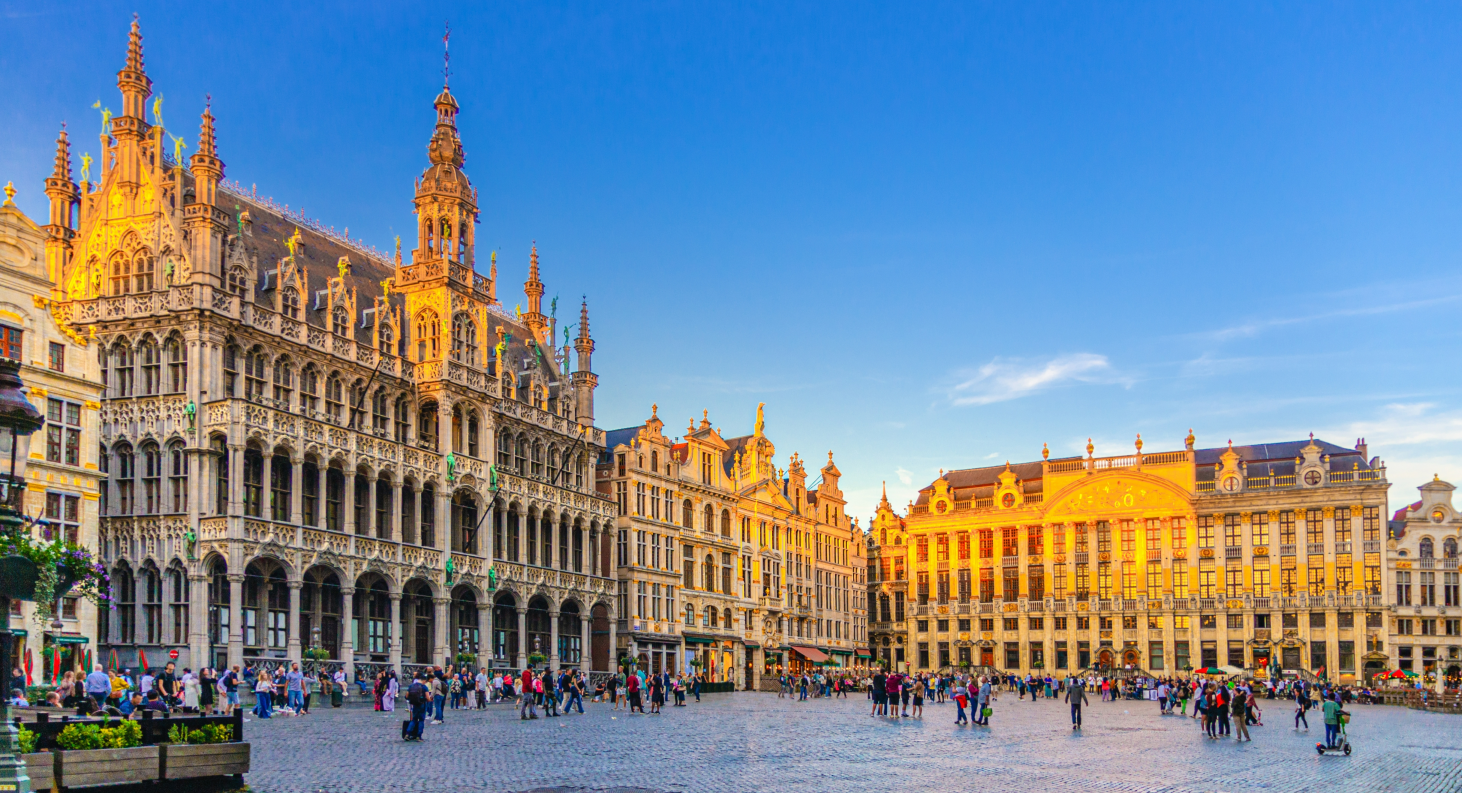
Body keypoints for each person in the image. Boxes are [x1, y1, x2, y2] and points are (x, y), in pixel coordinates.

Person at [404, 674, 429, 741]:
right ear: (424, 681)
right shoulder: (424, 687)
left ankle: (407, 734)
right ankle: (419, 736)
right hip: (422, 704)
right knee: (421, 720)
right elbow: (427, 697)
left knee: (414, 719)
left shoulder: (411, 686)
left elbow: (406, 696)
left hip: (414, 704)